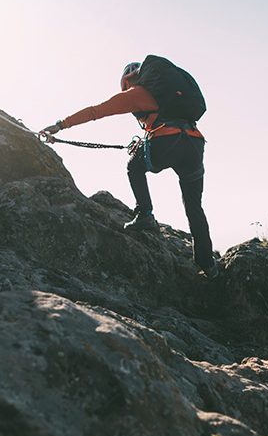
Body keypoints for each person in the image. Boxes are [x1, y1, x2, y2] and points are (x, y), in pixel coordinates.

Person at [40, 56, 218, 278]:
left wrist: (60, 125)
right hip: (194, 143)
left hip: (167, 141)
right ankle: (207, 264)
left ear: (127, 82)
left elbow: (97, 111)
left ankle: (145, 214)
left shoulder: (137, 94)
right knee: (194, 206)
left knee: (134, 166)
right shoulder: (170, 96)